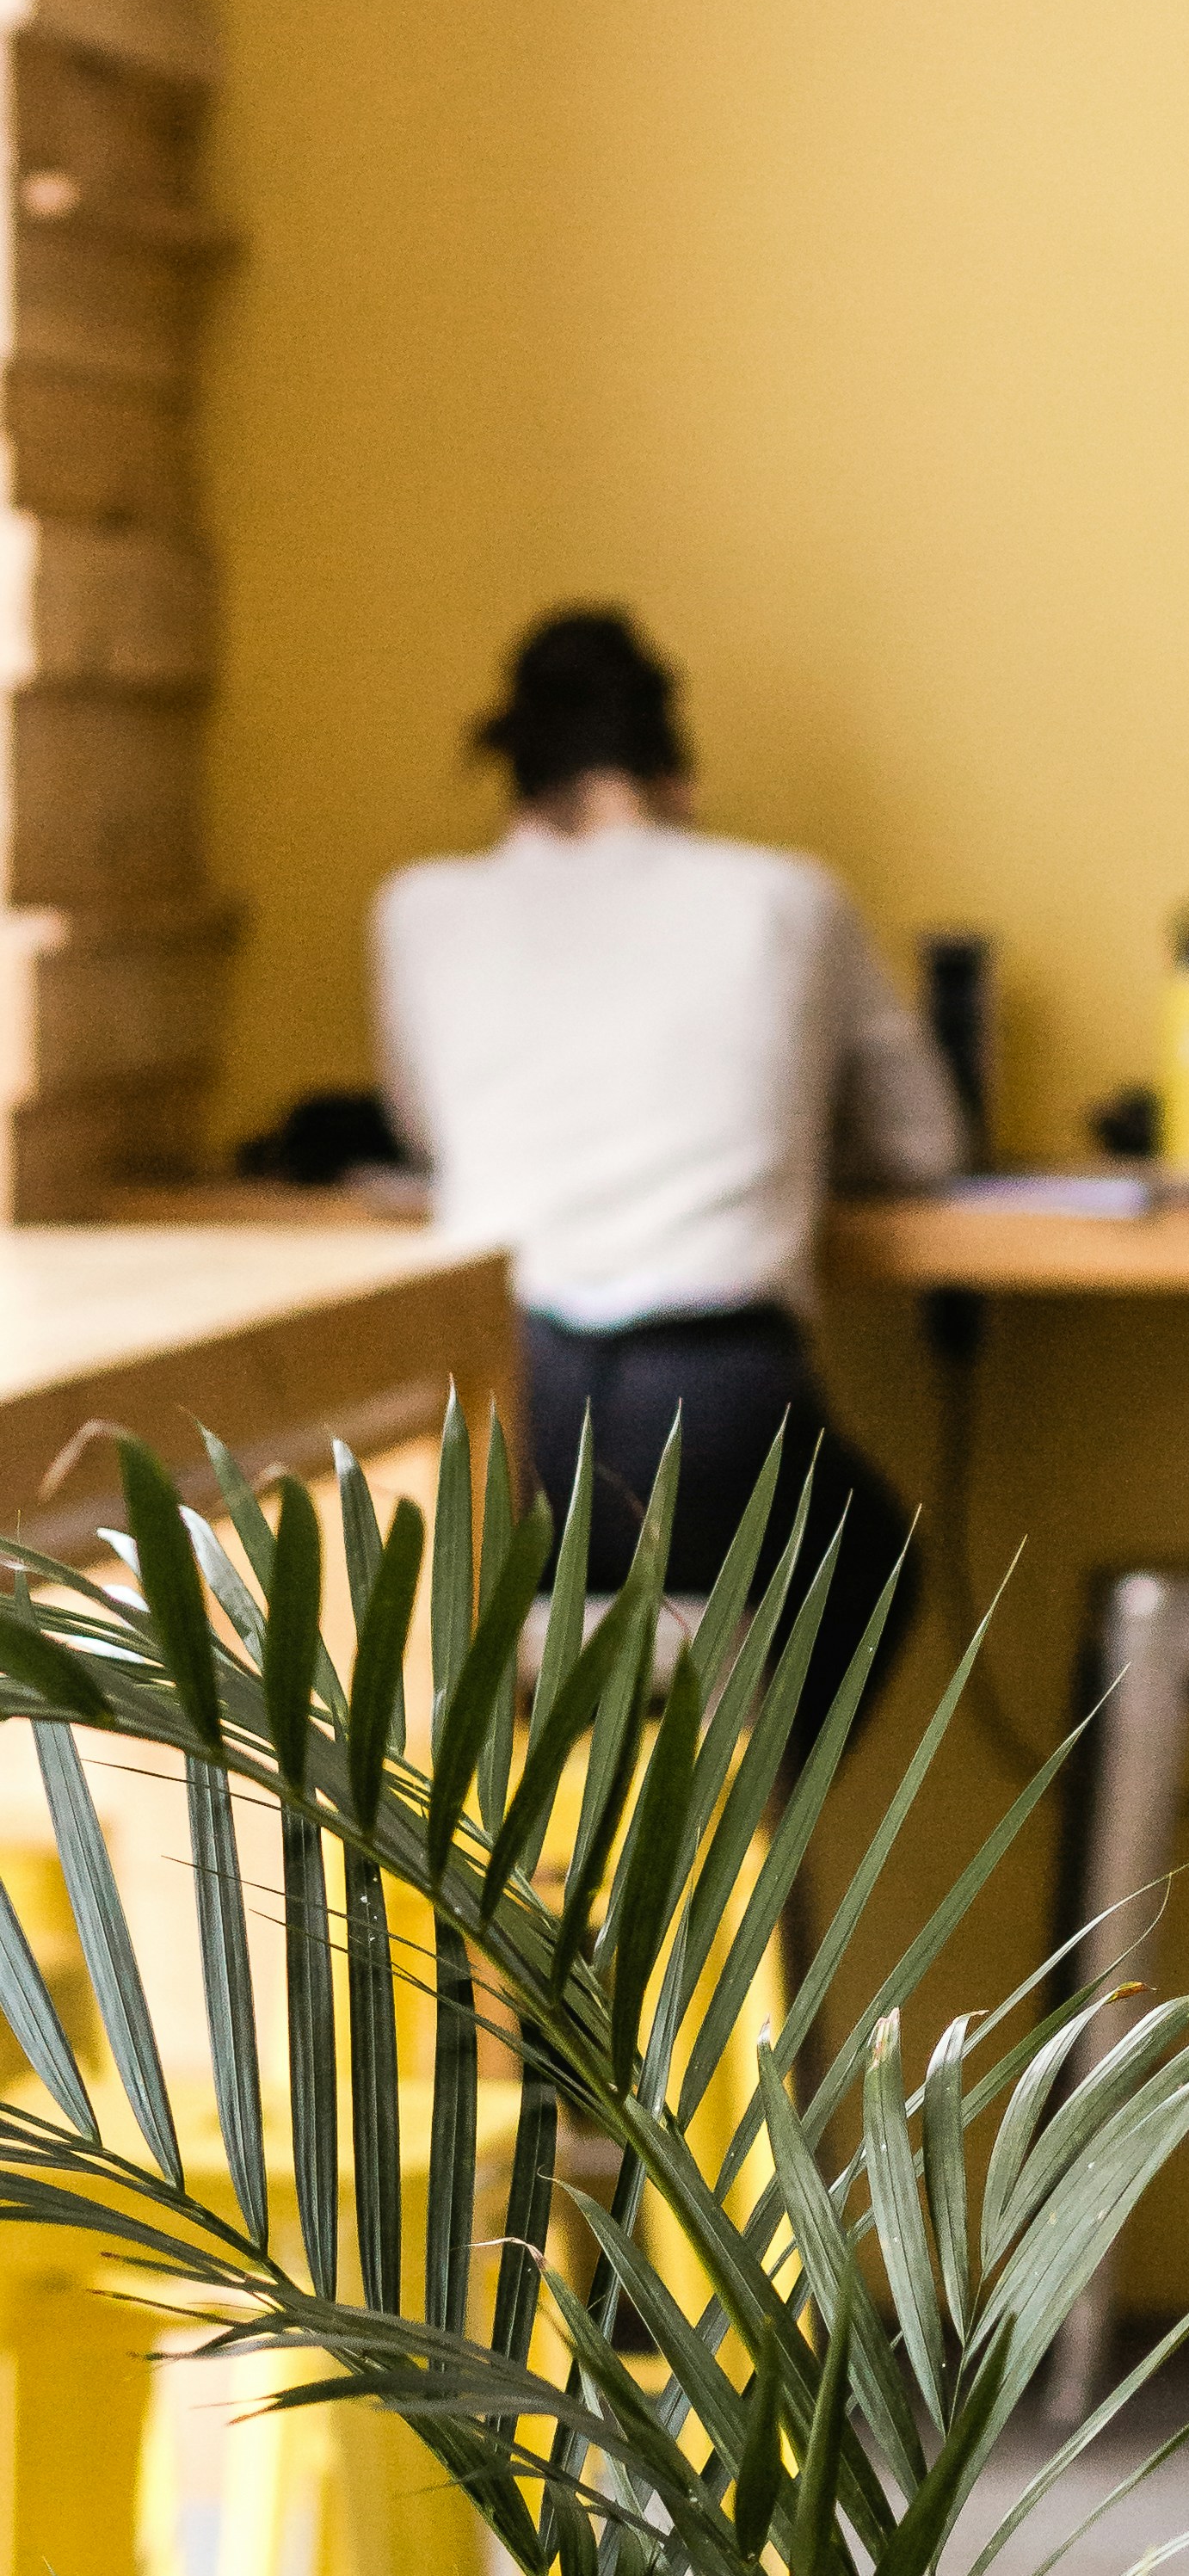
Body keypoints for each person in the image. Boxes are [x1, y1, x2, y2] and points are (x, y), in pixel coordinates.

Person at [373, 609, 960, 1759]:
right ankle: (740, 1856)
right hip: (720, 1407)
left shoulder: (419, 909)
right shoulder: (786, 898)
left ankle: (517, 1887)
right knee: (873, 1564)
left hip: (503, 1412)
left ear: (514, 778)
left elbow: (432, 1136)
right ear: (677, 777)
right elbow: (926, 1147)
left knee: (489, 1621)